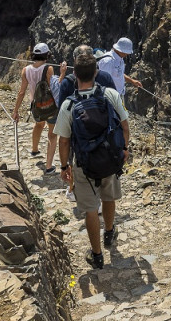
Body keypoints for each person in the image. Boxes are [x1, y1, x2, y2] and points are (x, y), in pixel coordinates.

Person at [55, 51, 130, 270]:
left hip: (84, 163)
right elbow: (125, 126)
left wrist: (64, 166)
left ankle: (97, 255)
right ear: (96, 72)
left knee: (89, 209)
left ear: (75, 75)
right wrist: (124, 149)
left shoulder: (68, 105)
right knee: (109, 197)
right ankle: (109, 232)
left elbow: (64, 141)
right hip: (109, 157)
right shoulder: (110, 94)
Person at [12, 43, 58, 174]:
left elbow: (21, 92)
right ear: (46, 55)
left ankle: (34, 149)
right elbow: (53, 88)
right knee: (52, 133)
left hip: (35, 105)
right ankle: (49, 167)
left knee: (39, 125)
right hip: (49, 105)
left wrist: (16, 111)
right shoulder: (48, 68)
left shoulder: (26, 70)